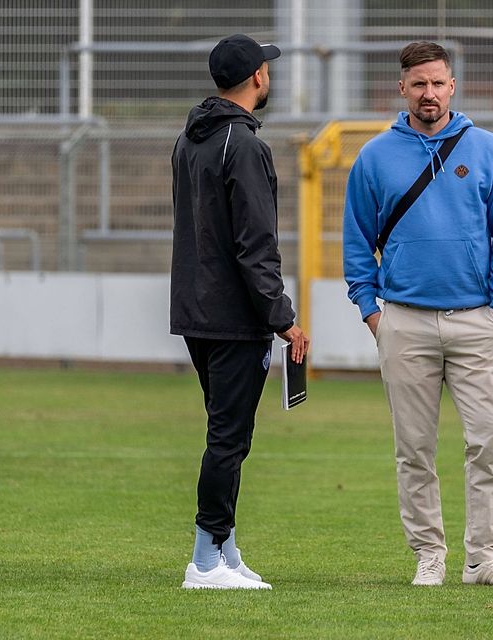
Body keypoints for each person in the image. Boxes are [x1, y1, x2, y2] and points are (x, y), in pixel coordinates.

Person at [343, 41, 493, 588]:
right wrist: (369, 310)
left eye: (439, 83)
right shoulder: (375, 156)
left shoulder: (488, 148)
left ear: (453, 86)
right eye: (419, 83)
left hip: (478, 322)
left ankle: (482, 559)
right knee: (414, 449)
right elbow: (356, 240)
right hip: (403, 321)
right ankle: (430, 554)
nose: (430, 93)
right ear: (402, 88)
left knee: (488, 443)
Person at [171, 33, 310, 590]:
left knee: (227, 434)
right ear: (256, 77)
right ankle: (205, 560)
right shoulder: (243, 145)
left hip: (196, 310)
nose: (269, 76)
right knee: (229, 438)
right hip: (234, 318)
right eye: (267, 68)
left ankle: (225, 549)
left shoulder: (190, 138)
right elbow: (256, 245)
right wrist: (283, 316)